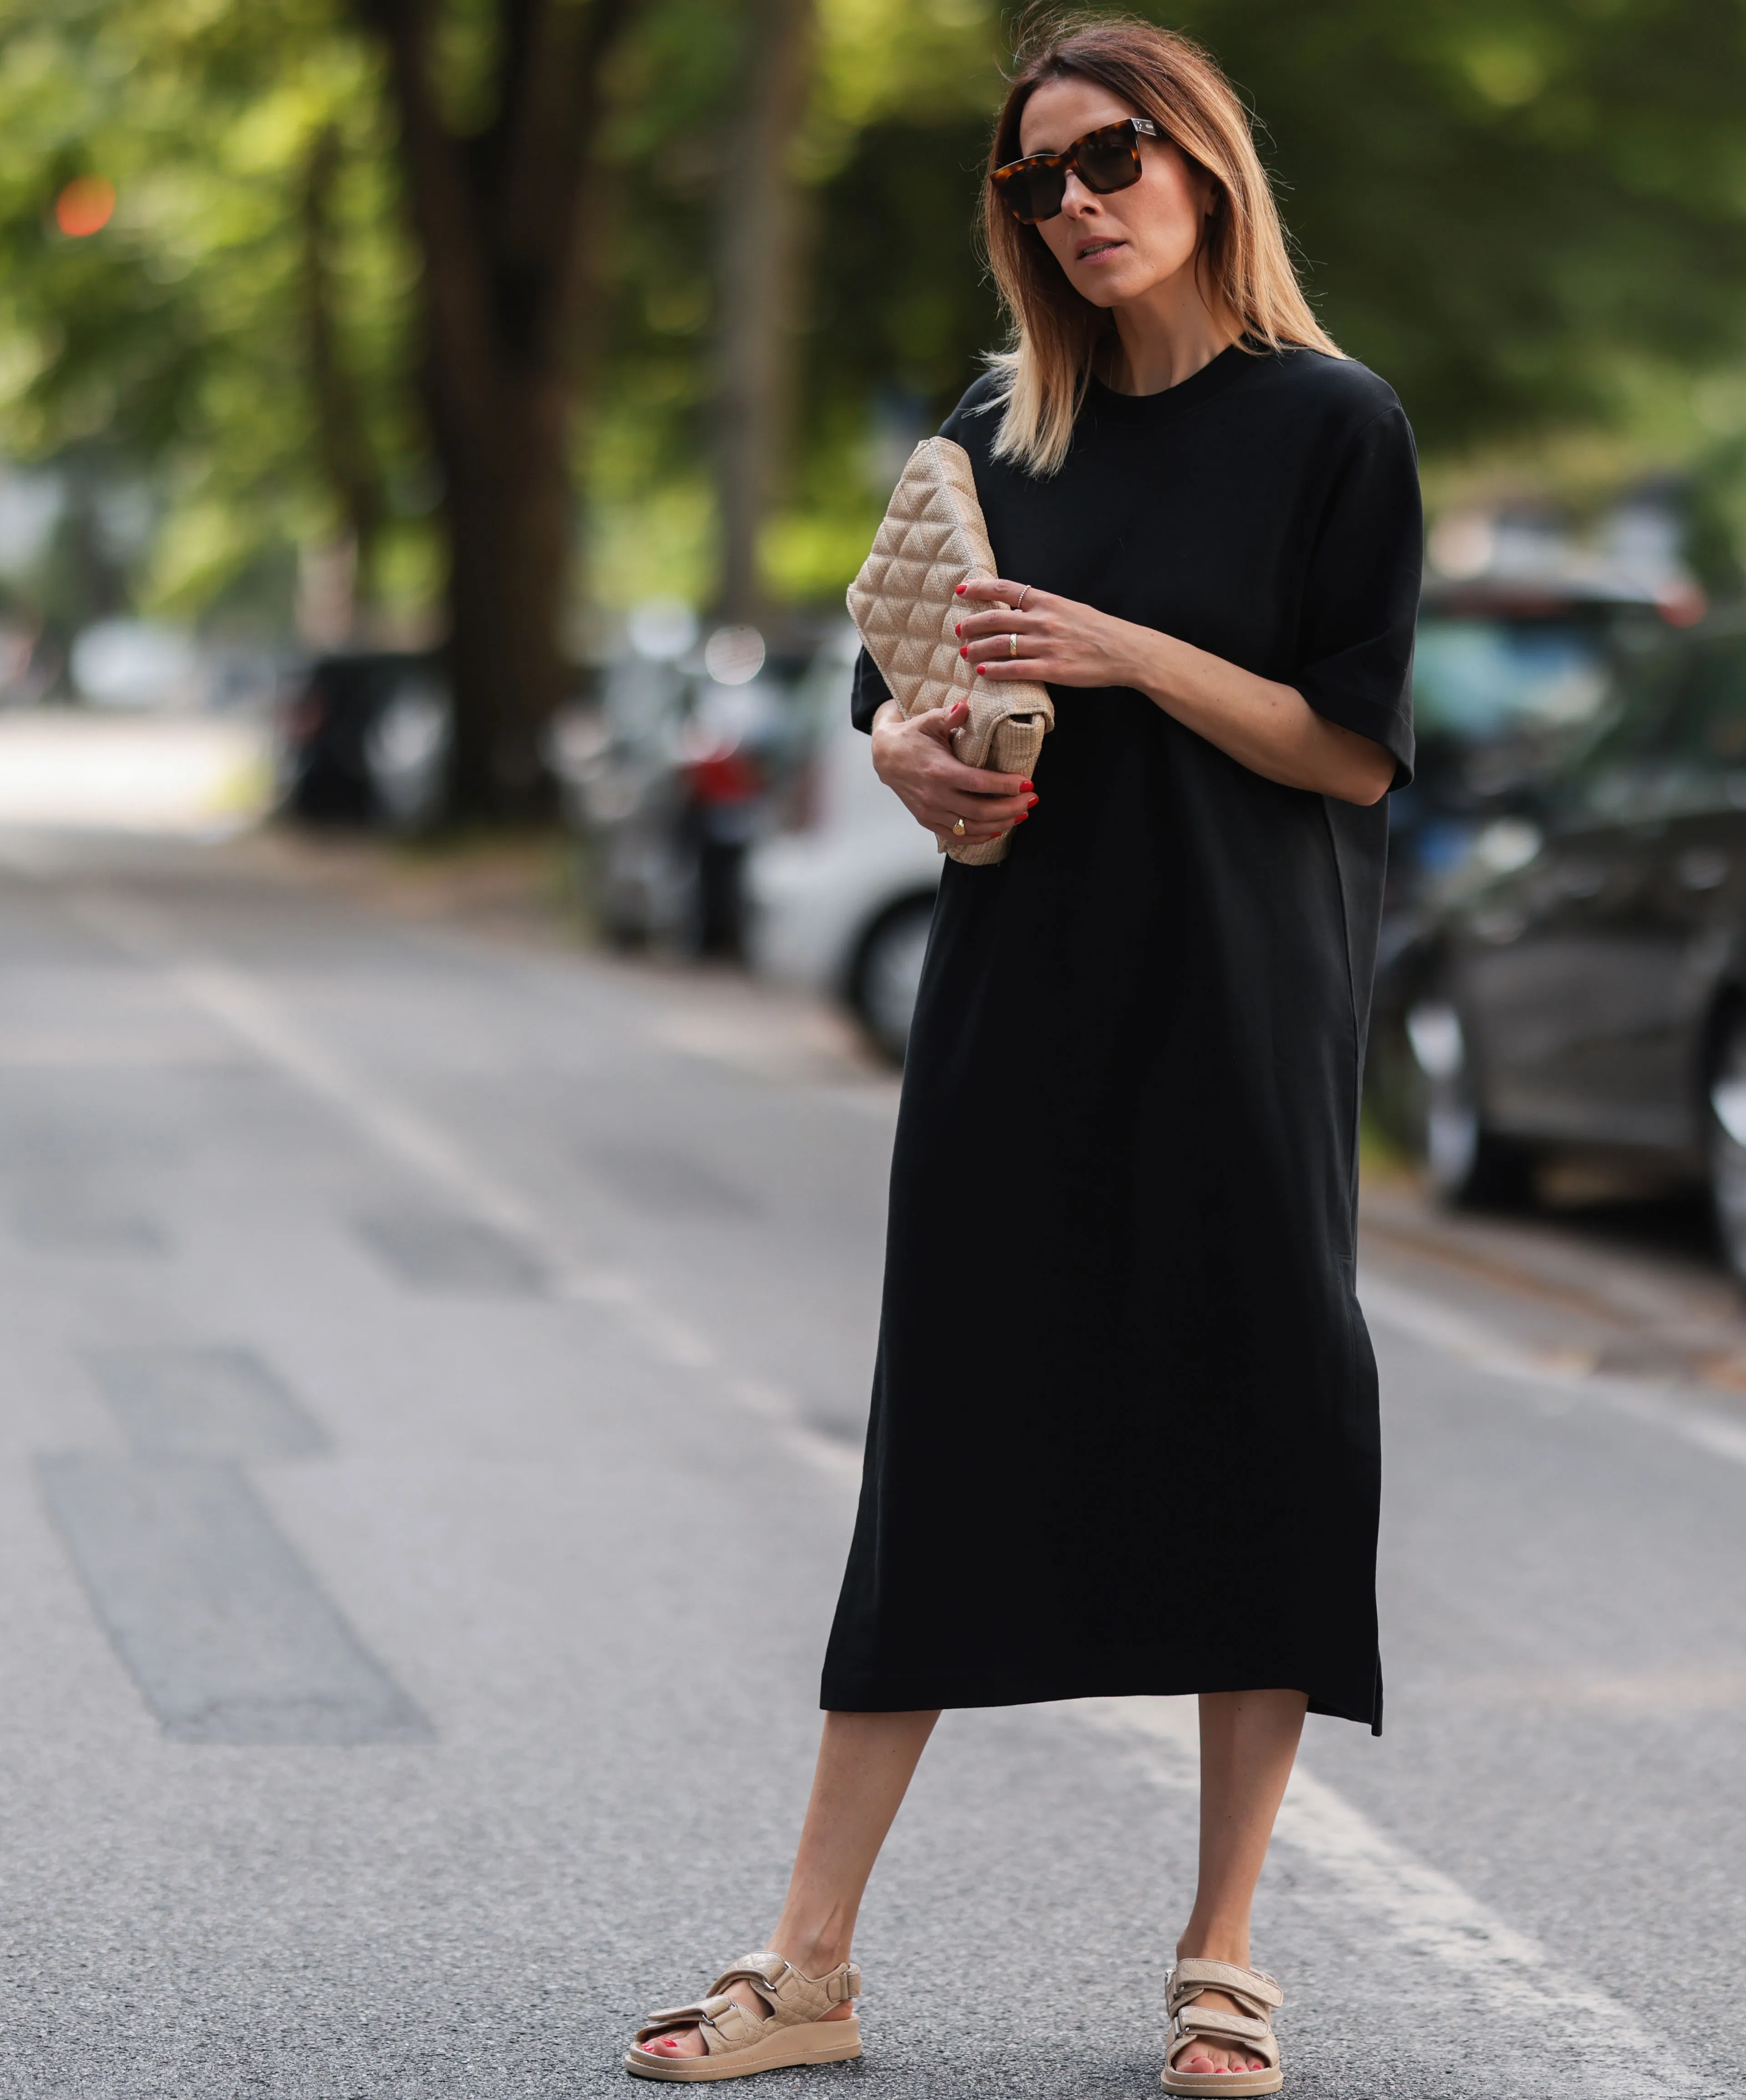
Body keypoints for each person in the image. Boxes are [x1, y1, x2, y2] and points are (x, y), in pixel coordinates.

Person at [625, 15, 1421, 2095]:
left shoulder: (1335, 428)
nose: (1073, 203)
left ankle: (1222, 1957)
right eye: (1034, 180)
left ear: (1204, 165)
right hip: (1018, 985)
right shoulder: (1004, 432)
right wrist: (911, 764)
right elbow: (909, 694)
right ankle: (806, 1968)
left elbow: (1347, 745)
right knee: (951, 1437)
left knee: (1263, 1424)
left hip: (1242, 996)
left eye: (1109, 159)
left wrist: (1130, 654)